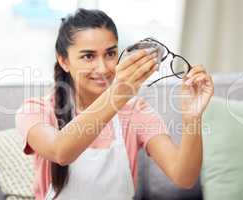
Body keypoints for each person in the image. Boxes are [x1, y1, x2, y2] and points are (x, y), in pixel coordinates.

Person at [15, 8, 214, 200]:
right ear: (64, 61)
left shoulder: (135, 111)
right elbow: (60, 152)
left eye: (110, 54)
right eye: (88, 56)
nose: (102, 68)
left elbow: (184, 177)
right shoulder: (35, 110)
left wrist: (191, 117)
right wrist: (119, 94)